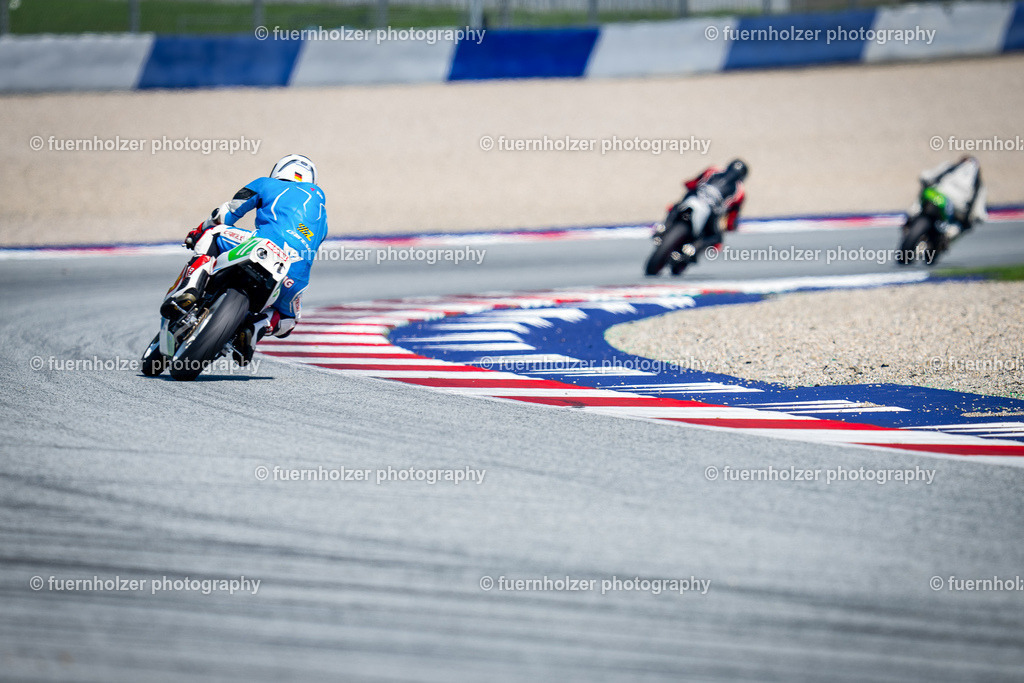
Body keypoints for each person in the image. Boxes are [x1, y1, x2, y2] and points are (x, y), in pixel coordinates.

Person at [161, 154, 328, 364]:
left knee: (213, 234)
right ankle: (256, 327)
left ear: (278, 171)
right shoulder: (323, 221)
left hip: (261, 246)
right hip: (294, 276)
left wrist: (199, 230)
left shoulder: (266, 184)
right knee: (287, 321)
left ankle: (190, 288)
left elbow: (225, 214)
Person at [908, 156, 987, 240]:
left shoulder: (949, 166)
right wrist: (978, 218)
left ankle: (914, 212)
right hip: (954, 207)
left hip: (939, 196)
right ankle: (946, 238)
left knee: (921, 200)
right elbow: (979, 212)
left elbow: (926, 176)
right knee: (958, 229)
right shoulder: (979, 184)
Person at [679, 159, 747, 252]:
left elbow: (691, 183)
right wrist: (731, 227)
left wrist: (688, 184)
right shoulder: (740, 192)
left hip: (696, 200)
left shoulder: (713, 170)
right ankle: (694, 248)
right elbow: (732, 218)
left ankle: (664, 227)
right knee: (717, 237)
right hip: (711, 212)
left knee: (676, 206)